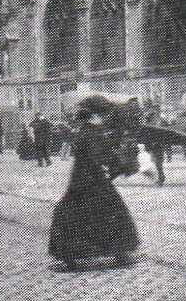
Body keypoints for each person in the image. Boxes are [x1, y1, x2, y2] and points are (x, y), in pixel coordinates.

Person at [48, 97, 140, 271]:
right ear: (96, 115)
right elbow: (100, 157)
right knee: (112, 213)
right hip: (93, 180)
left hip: (79, 180)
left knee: (71, 215)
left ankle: (70, 256)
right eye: (104, 115)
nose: (106, 118)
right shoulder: (94, 133)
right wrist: (121, 165)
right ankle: (120, 253)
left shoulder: (85, 131)